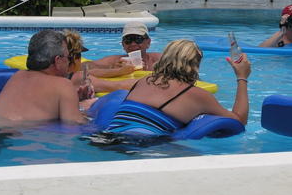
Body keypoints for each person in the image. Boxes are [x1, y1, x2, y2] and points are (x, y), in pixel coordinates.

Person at [106, 39, 250, 134]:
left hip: (105, 139)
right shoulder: (198, 95)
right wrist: (242, 76)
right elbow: (238, 121)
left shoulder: (144, 81)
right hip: (139, 147)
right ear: (195, 65)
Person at [0, 30, 96, 126]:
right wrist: (87, 109)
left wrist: (73, 100)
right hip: (12, 134)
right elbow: (75, 125)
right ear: (57, 61)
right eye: (67, 57)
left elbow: (32, 106)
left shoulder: (17, 76)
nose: (68, 62)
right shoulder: (63, 84)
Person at [90, 22, 161, 73]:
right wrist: (113, 69)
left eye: (138, 39)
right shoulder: (115, 61)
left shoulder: (159, 60)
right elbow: (84, 66)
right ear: (123, 44)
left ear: (148, 42)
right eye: (128, 40)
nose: (133, 44)